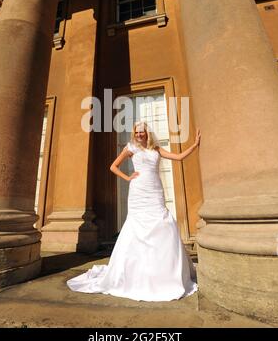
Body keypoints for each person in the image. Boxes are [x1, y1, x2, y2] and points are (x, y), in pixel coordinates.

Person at [67, 121, 201, 301]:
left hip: (155, 190)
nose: (139, 135)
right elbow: (113, 166)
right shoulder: (131, 147)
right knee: (137, 226)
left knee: (162, 222)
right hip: (138, 191)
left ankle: (163, 271)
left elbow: (178, 157)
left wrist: (194, 145)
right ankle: (135, 272)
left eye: (141, 132)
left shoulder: (156, 149)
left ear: (147, 133)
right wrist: (128, 177)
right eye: (136, 132)